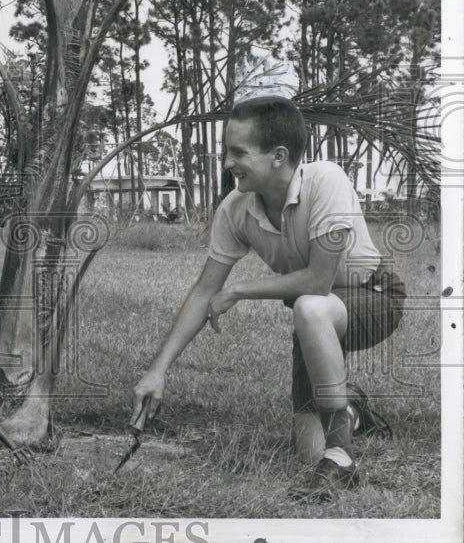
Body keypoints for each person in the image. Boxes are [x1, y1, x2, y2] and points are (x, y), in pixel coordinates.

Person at [131, 96, 404, 501]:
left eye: (238, 152)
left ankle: (343, 458)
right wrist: (158, 370)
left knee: (310, 307)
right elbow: (204, 291)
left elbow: (317, 280)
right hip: (313, 323)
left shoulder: (326, 180)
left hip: (372, 298)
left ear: (278, 156)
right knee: (307, 450)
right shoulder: (235, 209)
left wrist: (241, 289)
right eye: (227, 151)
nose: (227, 163)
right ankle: (352, 407)